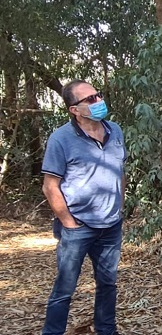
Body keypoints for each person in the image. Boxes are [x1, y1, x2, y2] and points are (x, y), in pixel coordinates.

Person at [41, 80, 126, 335]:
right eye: (89, 99)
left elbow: (120, 170)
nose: (98, 101)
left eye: (97, 95)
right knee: (65, 288)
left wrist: (119, 206)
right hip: (78, 227)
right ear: (74, 110)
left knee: (108, 284)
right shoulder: (61, 139)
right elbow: (50, 186)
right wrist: (68, 222)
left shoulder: (115, 131)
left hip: (111, 225)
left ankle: (106, 330)